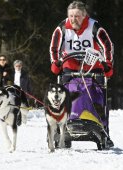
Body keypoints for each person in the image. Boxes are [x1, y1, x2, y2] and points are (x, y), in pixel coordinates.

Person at [49, 1, 114, 147]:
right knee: (66, 92)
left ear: (84, 16)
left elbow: (107, 45)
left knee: (97, 93)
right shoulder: (62, 29)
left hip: (93, 67)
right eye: (71, 16)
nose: (73, 19)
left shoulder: (94, 27)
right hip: (69, 67)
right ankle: (64, 123)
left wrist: (107, 64)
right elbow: (54, 48)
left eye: (77, 16)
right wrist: (55, 63)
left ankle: (103, 129)